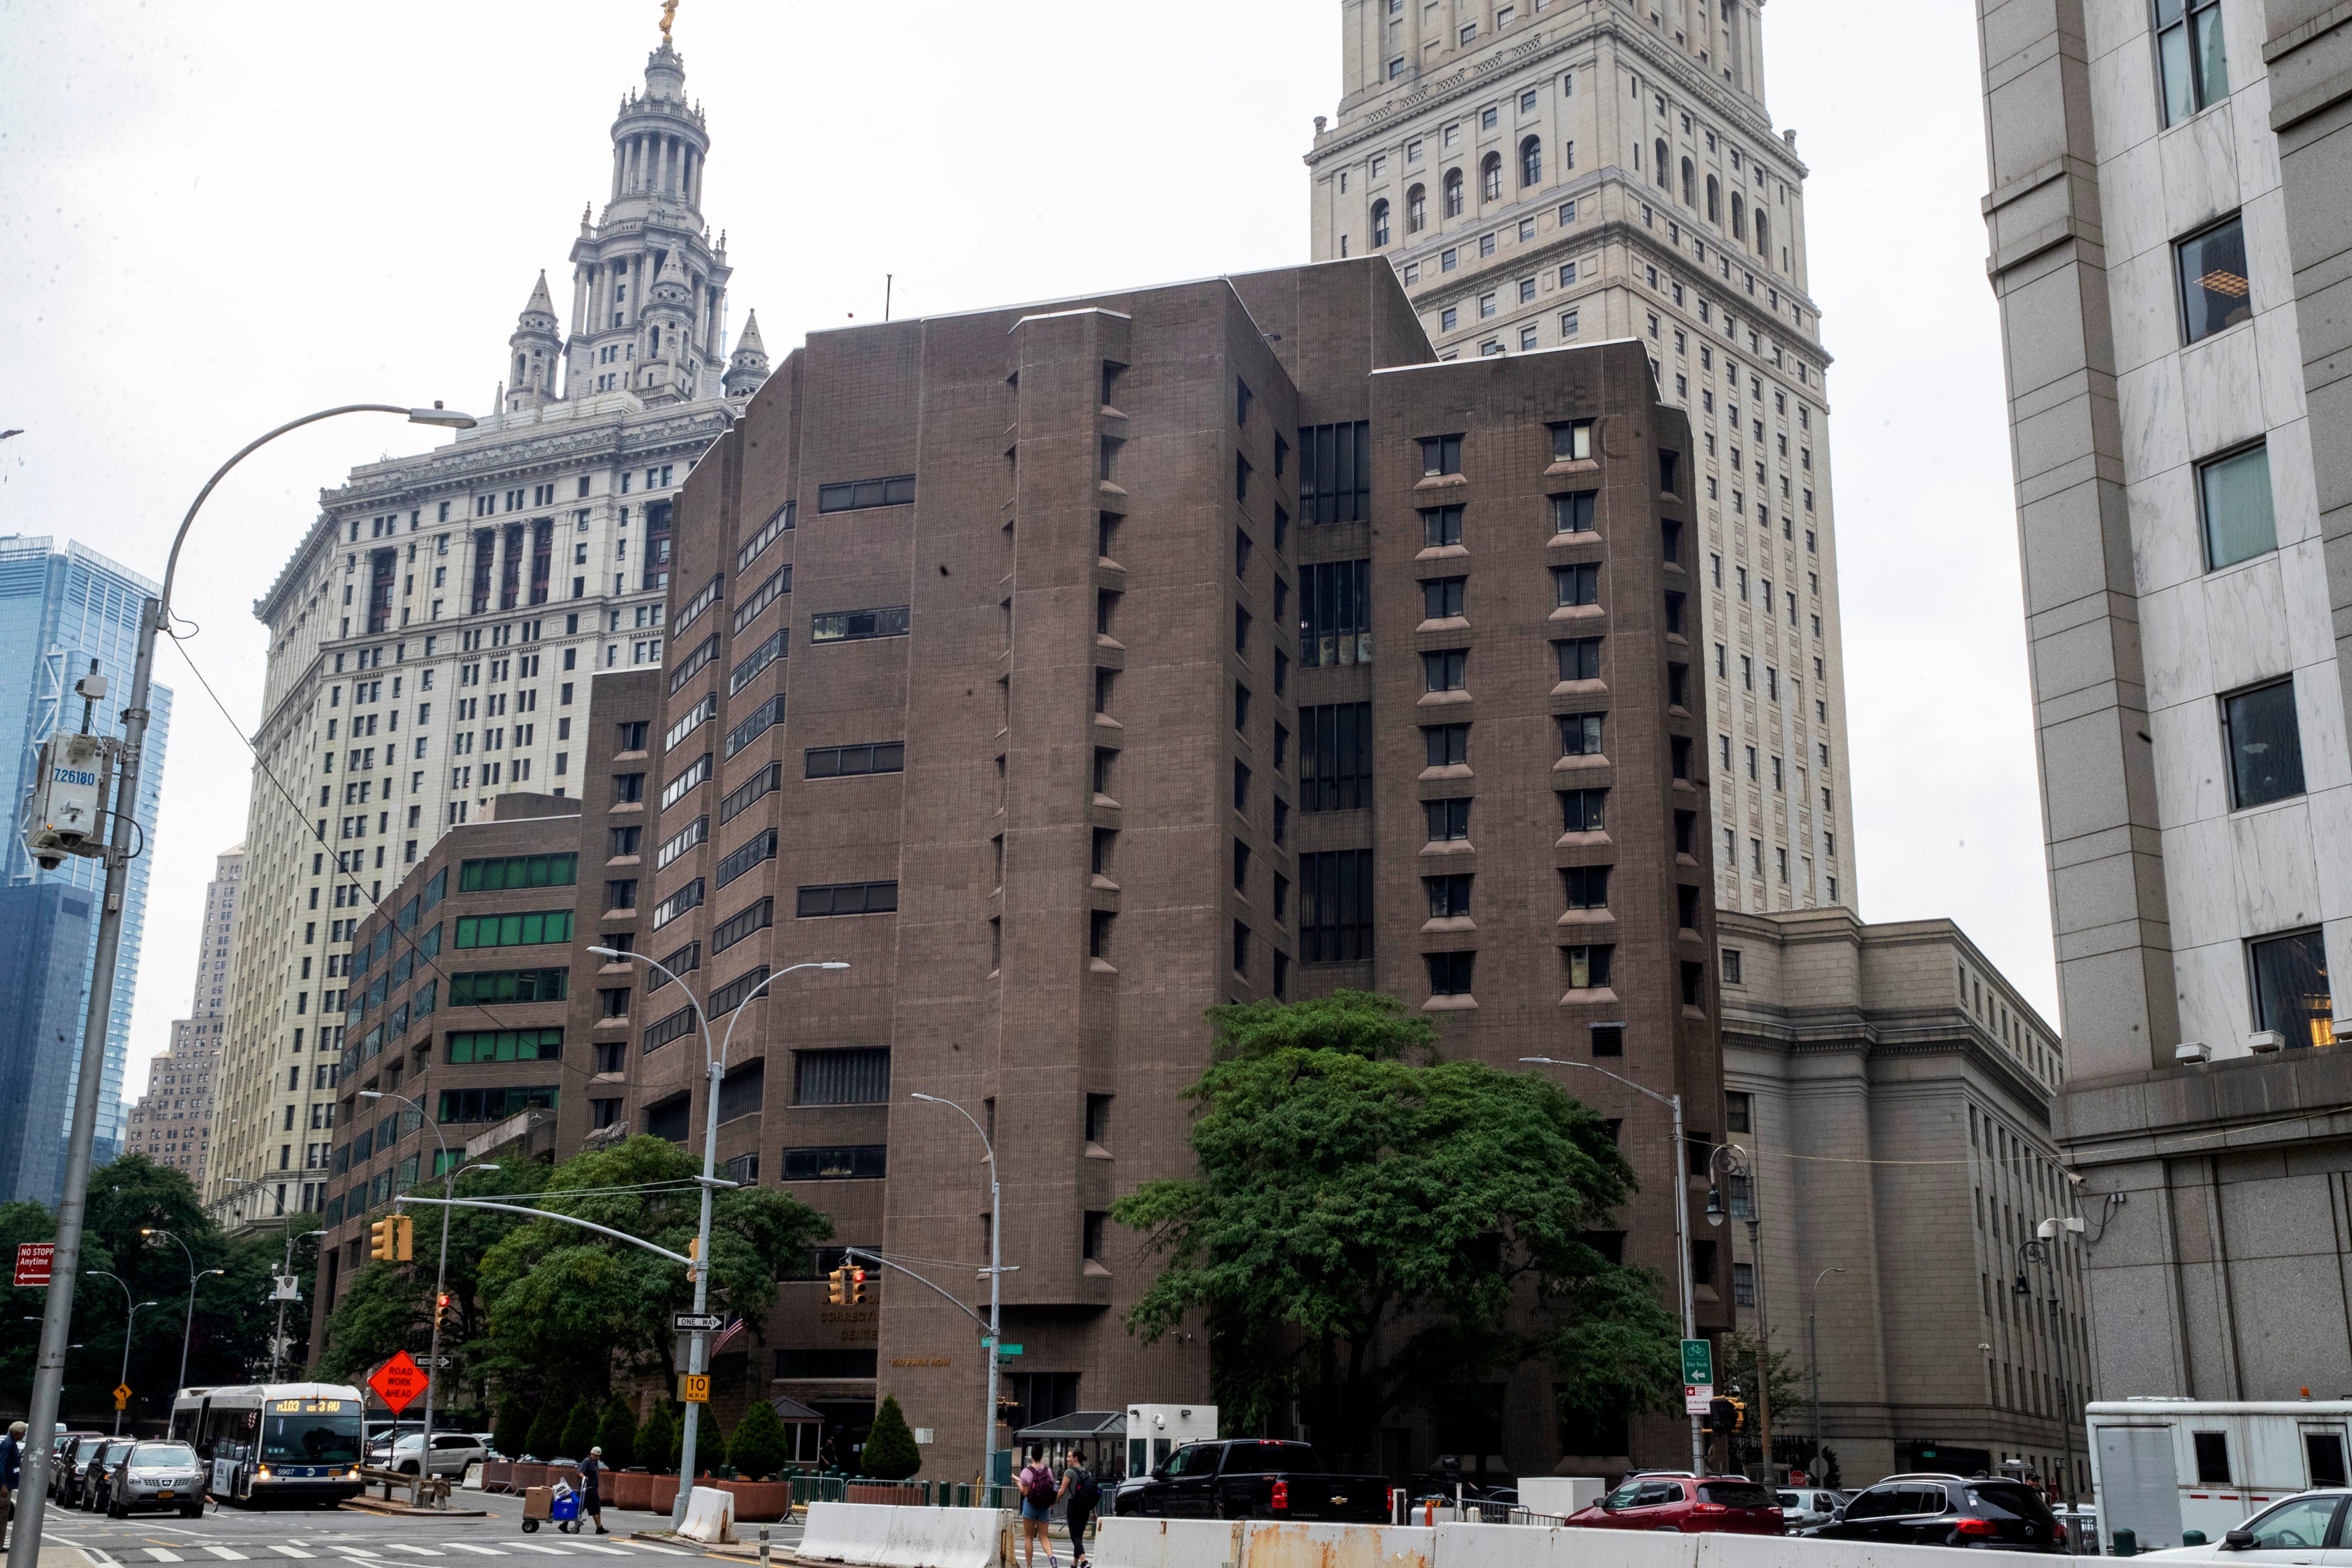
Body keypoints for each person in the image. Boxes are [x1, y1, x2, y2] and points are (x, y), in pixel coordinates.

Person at [1016, 1446, 1059, 1568]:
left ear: (1031, 1455)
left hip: (1031, 1506)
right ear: (1041, 1456)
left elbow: (1025, 1492)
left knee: (1029, 1537)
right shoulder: (1048, 1471)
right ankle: (1051, 1556)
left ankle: (1029, 1566)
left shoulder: (1026, 1472)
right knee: (1044, 1537)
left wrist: (1017, 1481)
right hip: (1044, 1507)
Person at [1058, 1449, 1099, 1566]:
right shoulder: (1087, 1473)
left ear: (1076, 1459)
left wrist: (1052, 1503)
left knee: (1075, 1536)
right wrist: (1094, 1512)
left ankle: (1084, 1562)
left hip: (1074, 1507)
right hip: (1086, 1508)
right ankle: (1074, 1565)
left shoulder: (1069, 1472)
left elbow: (1062, 1491)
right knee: (1079, 1537)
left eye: (1069, 1457)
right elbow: (1091, 1494)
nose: (1067, 1459)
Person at [0, 1420, 22, 1551]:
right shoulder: (8, 1445)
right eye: (23, 1433)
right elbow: (1, 1465)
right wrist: (3, 1484)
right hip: (4, 1486)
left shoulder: (11, 1444)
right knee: (2, 1515)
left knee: (4, 1515)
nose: (24, 1436)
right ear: (17, 1433)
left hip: (8, 1484)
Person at [579, 1445, 607, 1535]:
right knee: (579, 1509)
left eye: (599, 1456)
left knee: (596, 1509)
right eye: (596, 1456)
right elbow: (580, 1472)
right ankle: (565, 1523)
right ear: (592, 1454)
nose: (598, 1458)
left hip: (593, 1491)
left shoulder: (595, 1463)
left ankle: (599, 1528)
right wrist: (585, 1478)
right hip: (586, 1490)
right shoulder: (587, 1461)